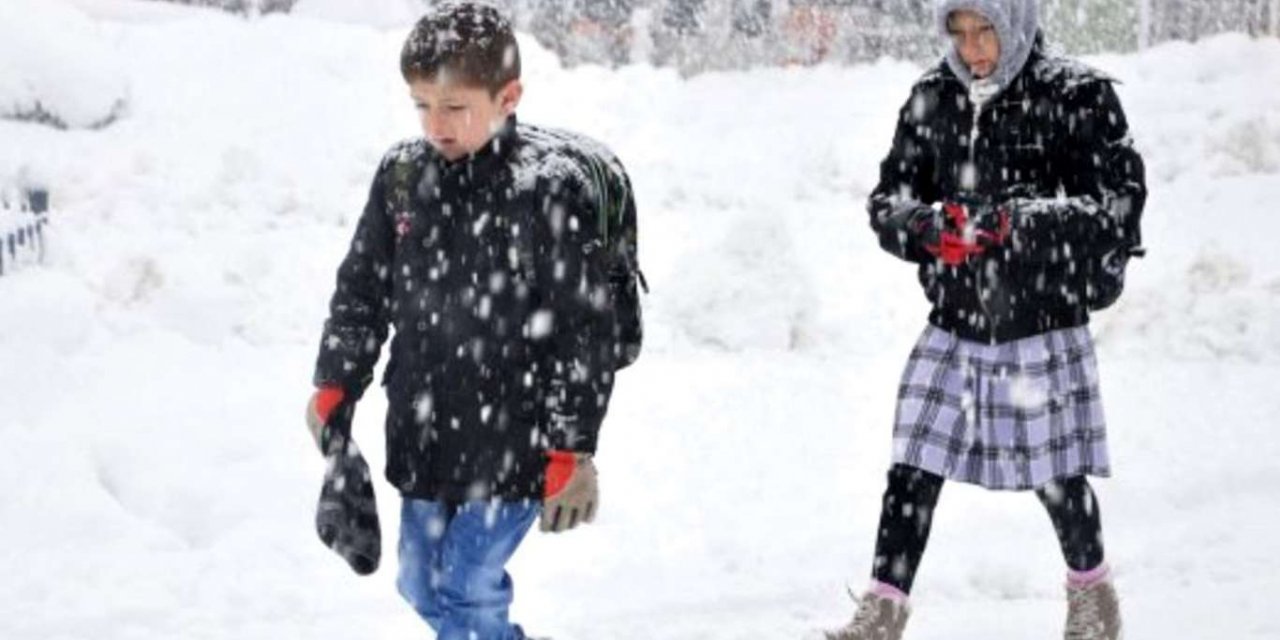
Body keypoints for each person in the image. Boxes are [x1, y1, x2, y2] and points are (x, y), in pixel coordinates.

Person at [304, 3, 640, 638]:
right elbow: (361, 291)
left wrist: (570, 447)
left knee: (468, 590)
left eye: (455, 107)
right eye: (422, 105)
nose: (436, 125)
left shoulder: (545, 190)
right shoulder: (403, 177)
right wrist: (336, 383)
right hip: (424, 429)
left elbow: (582, 331)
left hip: (516, 438)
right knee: (418, 582)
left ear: (507, 97)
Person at [827, 1, 1146, 639]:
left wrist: (1014, 224)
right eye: (960, 34)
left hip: (1042, 319)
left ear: (1017, 24)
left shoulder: (1076, 95)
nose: (972, 50)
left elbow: (1117, 208)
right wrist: (924, 227)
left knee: (1056, 474)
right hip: (955, 317)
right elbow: (888, 199)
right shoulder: (933, 96)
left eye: (986, 33)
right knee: (913, 464)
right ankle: (883, 608)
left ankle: (1093, 596)